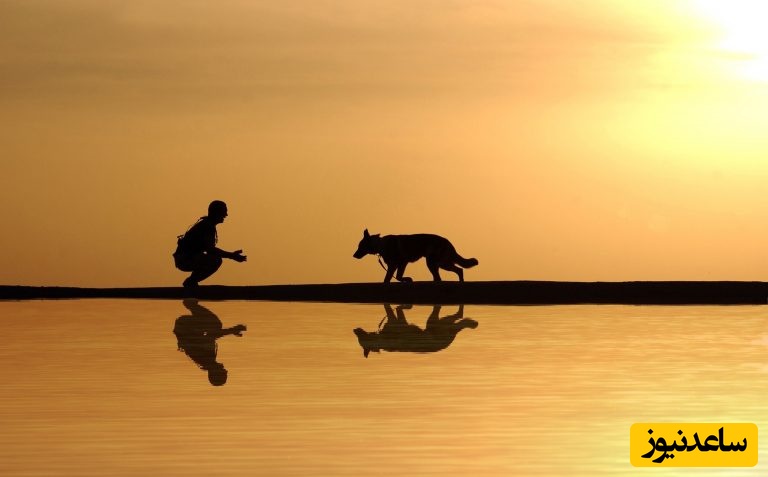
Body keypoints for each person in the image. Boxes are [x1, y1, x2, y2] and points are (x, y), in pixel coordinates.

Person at [173, 200, 247, 288]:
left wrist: (231, 255)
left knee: (213, 259)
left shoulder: (208, 225)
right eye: (224, 212)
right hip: (185, 259)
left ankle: (191, 281)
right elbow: (211, 250)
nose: (226, 215)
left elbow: (209, 250)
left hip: (186, 258)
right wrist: (232, 256)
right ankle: (191, 282)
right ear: (216, 213)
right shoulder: (207, 226)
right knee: (215, 260)